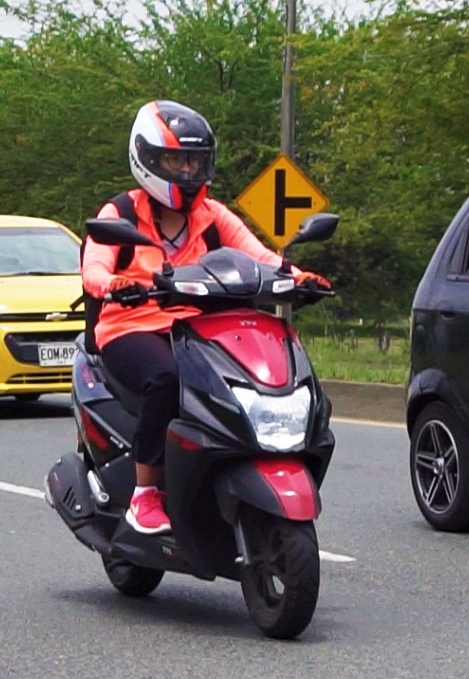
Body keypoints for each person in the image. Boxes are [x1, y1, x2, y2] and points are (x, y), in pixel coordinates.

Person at [82, 100, 330, 535]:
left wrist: (300, 276)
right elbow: (94, 267)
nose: (187, 171)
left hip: (197, 327)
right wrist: (114, 285)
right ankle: (145, 494)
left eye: (195, 161)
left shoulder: (212, 215)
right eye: (176, 160)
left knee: (251, 378)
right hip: (132, 325)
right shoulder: (119, 214)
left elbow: (260, 257)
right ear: (147, 159)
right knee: (165, 380)